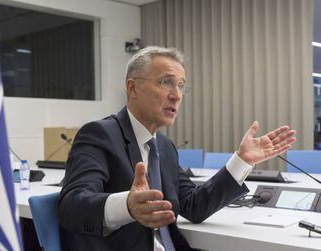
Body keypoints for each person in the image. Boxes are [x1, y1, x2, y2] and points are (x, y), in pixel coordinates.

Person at [58, 46, 296, 251]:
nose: (176, 96)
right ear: (132, 88)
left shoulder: (164, 146)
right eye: (166, 82)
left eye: (181, 86)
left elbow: (193, 206)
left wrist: (242, 160)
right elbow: (71, 206)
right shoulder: (99, 134)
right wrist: (127, 206)